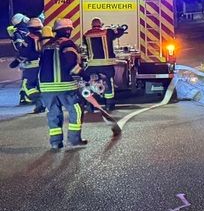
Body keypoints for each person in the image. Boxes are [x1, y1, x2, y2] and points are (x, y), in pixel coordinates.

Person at [38, 19, 86, 149]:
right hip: (65, 85)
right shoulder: (67, 43)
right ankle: (74, 139)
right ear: (68, 31)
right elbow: (71, 64)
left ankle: (55, 142)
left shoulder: (47, 45)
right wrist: (84, 75)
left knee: (54, 113)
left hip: (46, 87)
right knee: (76, 110)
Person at [82, 18, 129, 111]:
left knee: (90, 83)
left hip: (91, 65)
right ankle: (109, 104)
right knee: (108, 82)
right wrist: (120, 28)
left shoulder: (86, 35)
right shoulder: (107, 32)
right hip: (106, 65)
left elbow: (85, 45)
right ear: (100, 24)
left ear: (92, 25)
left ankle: (90, 105)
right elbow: (119, 32)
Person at [11, 15, 45, 113]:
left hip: (32, 66)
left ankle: (38, 101)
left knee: (28, 86)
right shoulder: (46, 37)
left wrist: (16, 62)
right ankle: (42, 104)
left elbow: (24, 52)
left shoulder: (28, 38)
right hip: (45, 66)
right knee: (41, 86)